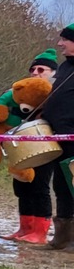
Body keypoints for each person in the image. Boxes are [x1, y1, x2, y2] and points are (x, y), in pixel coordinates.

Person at [0, 49, 59, 244]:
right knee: (21, 186)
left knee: (39, 186)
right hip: (23, 144)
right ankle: (25, 227)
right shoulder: (26, 90)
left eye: (41, 70)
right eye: (33, 69)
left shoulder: (58, 91)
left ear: (52, 72)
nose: (35, 73)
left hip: (45, 144)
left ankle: (40, 232)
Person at [39, 24, 74, 250]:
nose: (60, 44)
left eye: (65, 40)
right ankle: (63, 238)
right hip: (59, 138)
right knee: (61, 186)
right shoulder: (65, 67)